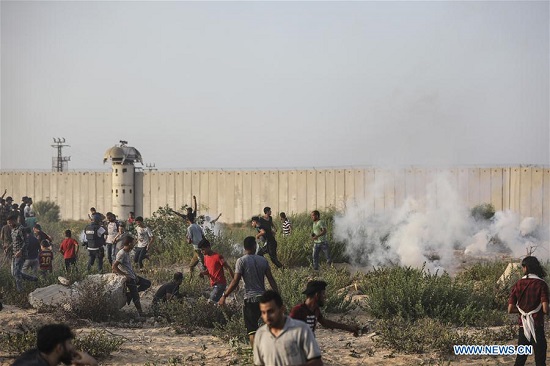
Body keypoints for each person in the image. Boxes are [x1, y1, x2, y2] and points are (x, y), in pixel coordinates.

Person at [219, 236, 279, 346]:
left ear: (244, 247)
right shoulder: (263, 260)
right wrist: (277, 295)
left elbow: (235, 281)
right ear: (254, 246)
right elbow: (271, 279)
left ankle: (256, 355)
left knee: (252, 330)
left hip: (250, 300)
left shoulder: (241, 261)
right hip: (263, 299)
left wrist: (225, 295)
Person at [253, 290, 323, 366]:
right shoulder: (260, 334)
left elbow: (317, 362)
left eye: (271, 311)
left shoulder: (301, 329)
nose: (267, 317)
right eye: (263, 312)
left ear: (282, 309)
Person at [508, 256, 549, 366]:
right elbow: (545, 309)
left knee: (520, 360)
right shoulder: (541, 284)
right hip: (537, 326)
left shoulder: (518, 284)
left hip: (523, 327)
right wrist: (534, 311)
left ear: (526, 268)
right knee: (540, 361)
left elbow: (510, 309)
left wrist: (524, 312)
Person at [290, 280, 360, 336]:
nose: (325, 297)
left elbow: (326, 323)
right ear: (317, 295)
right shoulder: (298, 310)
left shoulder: (315, 310)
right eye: (323, 294)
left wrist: (349, 328)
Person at [11, 323, 98, 366]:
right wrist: (93, 363)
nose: (73, 347)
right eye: (69, 343)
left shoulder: (32, 354)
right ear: (59, 348)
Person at [112, 236, 151, 318]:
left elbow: (128, 266)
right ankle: (140, 313)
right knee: (136, 296)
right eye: (133, 242)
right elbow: (114, 267)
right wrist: (124, 275)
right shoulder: (121, 253)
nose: (134, 244)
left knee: (147, 283)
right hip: (129, 278)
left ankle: (129, 295)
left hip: (132, 276)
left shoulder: (127, 252)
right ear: (129, 243)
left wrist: (135, 275)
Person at [7, 213, 38, 291]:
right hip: (14, 254)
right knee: (13, 273)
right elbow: (14, 242)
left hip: (21, 255)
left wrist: (20, 251)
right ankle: (32, 278)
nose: (9, 224)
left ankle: (20, 290)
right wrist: (9, 247)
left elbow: (26, 242)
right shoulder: (13, 230)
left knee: (16, 273)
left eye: (10, 222)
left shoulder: (21, 229)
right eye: (8, 223)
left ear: (14, 221)